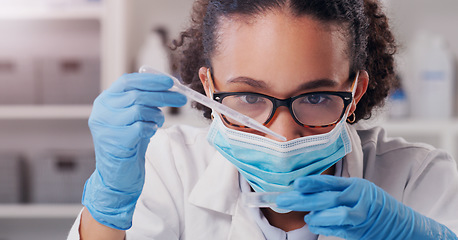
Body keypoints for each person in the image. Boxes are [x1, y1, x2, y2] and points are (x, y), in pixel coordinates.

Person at [67, 0, 458, 239]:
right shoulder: (168, 168)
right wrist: (109, 205)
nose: (283, 135)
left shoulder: (418, 177)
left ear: (354, 92)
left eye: (317, 96)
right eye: (250, 96)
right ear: (208, 86)